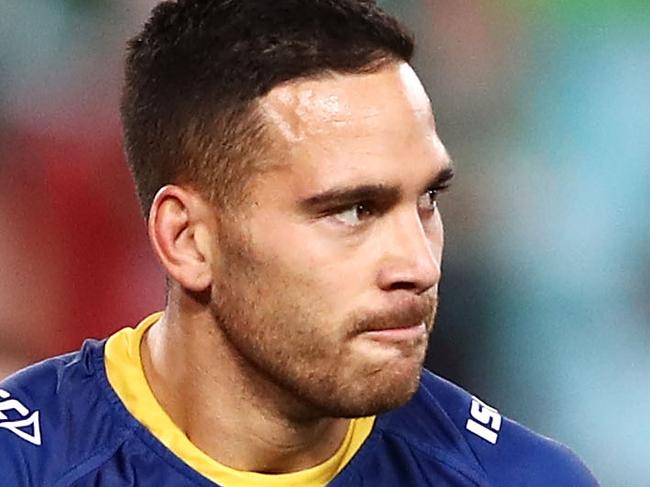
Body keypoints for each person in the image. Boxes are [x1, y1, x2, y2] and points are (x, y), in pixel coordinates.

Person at [0, 1, 598, 485]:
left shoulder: (518, 476)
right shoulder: (25, 464)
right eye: (352, 210)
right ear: (187, 241)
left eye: (428, 201)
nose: (418, 264)